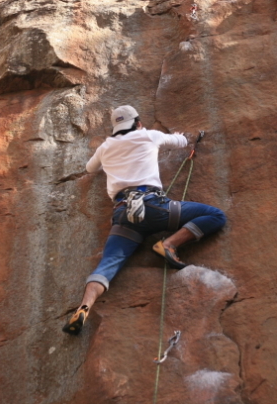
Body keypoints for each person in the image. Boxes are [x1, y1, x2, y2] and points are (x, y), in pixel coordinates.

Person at [62, 105, 226, 335]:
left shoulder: (105, 147)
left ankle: (84, 307)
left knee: (107, 264)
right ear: (138, 122)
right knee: (215, 215)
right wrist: (177, 136)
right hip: (153, 207)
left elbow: (90, 168)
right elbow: (180, 141)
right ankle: (169, 245)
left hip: (123, 215)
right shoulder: (148, 135)